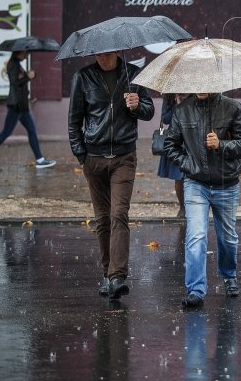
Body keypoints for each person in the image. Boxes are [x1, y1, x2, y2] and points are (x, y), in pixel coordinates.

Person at [68, 52, 154, 300]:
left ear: (116, 51)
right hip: (94, 158)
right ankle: (106, 273)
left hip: (124, 156)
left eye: (107, 54)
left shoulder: (133, 74)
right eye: (98, 54)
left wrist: (137, 105)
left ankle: (117, 277)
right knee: (103, 218)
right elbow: (74, 121)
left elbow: (149, 111)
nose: (102, 58)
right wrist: (81, 156)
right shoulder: (83, 77)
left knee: (119, 214)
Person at [164, 93, 241, 307]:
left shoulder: (233, 107)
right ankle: (195, 289)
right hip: (196, 184)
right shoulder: (183, 110)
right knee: (196, 236)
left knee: (228, 238)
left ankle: (229, 275)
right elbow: (170, 146)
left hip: (227, 183)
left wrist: (221, 144)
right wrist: (190, 165)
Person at [0, 50, 56, 170]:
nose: (27, 55)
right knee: (6, 132)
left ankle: (40, 160)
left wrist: (29, 76)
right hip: (16, 105)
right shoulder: (13, 64)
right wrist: (27, 77)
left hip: (22, 105)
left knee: (32, 131)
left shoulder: (16, 63)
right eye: (26, 53)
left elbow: (20, 81)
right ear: (18, 52)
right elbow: (14, 83)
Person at [157, 94, 186, 218]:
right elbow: (166, 119)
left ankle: (195, 207)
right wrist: (177, 104)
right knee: (178, 177)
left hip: (191, 138)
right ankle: (182, 207)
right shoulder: (169, 98)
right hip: (176, 141)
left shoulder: (193, 96)